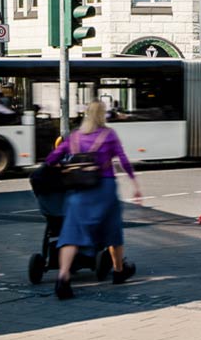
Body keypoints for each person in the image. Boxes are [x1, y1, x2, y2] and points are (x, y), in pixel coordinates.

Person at [44, 101, 142, 299]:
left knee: (71, 234)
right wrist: (135, 184)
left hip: (79, 192)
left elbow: (51, 159)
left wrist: (60, 168)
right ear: (103, 115)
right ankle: (118, 271)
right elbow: (123, 160)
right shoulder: (109, 135)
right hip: (105, 190)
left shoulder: (75, 136)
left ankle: (63, 279)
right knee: (113, 231)